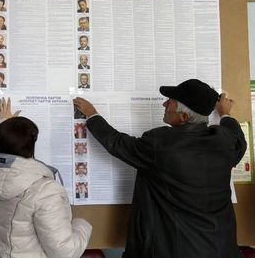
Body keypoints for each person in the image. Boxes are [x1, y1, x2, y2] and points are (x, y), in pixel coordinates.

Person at [73, 79, 247, 258]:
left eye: (170, 101)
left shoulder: (162, 144)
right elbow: (239, 141)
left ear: (184, 117)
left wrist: (92, 115)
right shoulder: (225, 142)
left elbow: (117, 143)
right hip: (222, 251)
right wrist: (225, 114)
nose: (164, 104)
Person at [0, 97, 92, 258]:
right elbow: (65, 252)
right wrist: (82, 224)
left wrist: (3, 122)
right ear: (30, 147)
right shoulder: (44, 191)